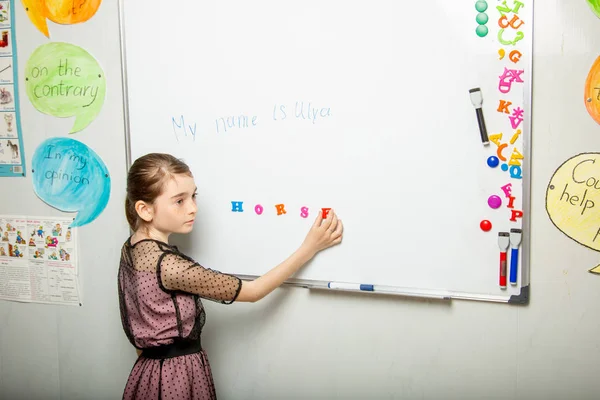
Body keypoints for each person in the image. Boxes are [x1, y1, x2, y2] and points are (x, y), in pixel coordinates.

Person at [118, 153, 343, 400]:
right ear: (145, 209)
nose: (193, 207)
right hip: (176, 378)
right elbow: (253, 291)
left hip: (147, 375)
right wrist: (308, 248)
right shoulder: (169, 266)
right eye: (179, 201)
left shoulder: (132, 248)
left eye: (194, 196)